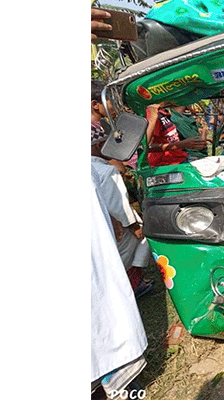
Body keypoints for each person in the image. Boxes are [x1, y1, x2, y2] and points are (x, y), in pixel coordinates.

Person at [91, 81, 154, 299]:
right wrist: (133, 225)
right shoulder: (106, 170)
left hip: (101, 222)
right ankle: (132, 283)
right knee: (142, 239)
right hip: (115, 222)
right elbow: (116, 202)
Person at [145, 102, 208, 167]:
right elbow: (147, 146)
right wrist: (182, 144)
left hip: (180, 159)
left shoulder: (164, 112)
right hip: (166, 164)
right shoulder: (153, 114)